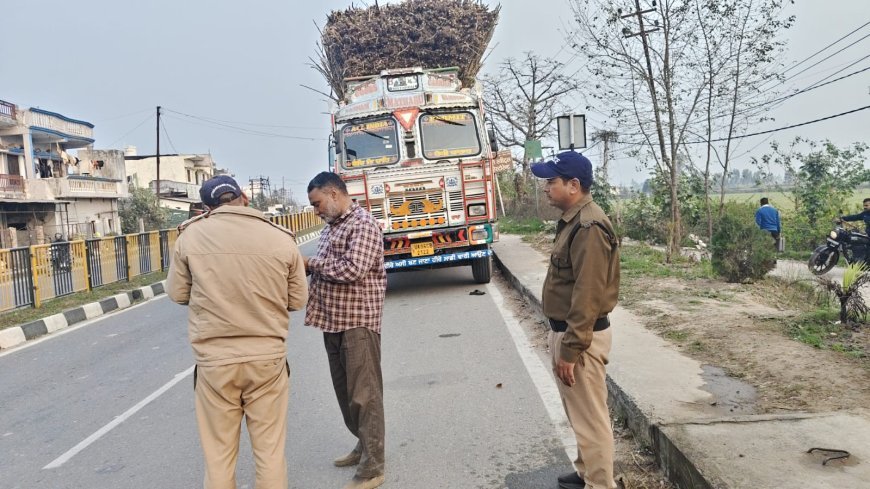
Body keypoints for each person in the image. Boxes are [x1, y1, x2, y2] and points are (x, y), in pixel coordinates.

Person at [167, 175, 308, 489]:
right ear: (244, 196)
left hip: (215, 364)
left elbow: (178, 294)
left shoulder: (190, 238)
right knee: (270, 452)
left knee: (218, 457)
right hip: (267, 361)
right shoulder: (281, 238)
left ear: (206, 208)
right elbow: (297, 300)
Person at [531, 151, 620, 489]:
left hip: (580, 338)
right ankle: (586, 471)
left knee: (591, 419)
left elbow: (588, 295)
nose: (545, 188)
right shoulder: (573, 221)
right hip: (568, 333)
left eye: (551, 181)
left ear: (574, 185)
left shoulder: (589, 227)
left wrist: (570, 350)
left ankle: (600, 483)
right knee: (578, 413)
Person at [304, 172, 387, 489]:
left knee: (365, 397)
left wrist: (311, 265)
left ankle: (374, 467)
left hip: (357, 323)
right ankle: (364, 445)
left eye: (317, 203)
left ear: (334, 194)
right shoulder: (332, 227)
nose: (316, 210)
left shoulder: (362, 223)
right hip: (333, 322)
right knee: (346, 396)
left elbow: (353, 269)